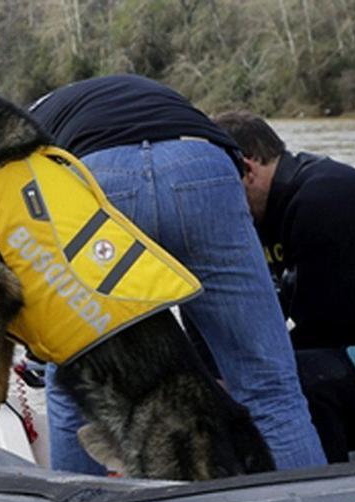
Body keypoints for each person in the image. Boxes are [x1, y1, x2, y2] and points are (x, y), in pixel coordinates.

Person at [27, 74, 325, 474]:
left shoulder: (25, 125)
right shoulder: (148, 93)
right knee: (272, 389)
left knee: (73, 393)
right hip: (202, 166)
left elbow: (20, 240)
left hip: (97, 177)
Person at [212, 111, 355, 461]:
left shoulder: (324, 199)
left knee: (295, 379)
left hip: (349, 345)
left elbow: (323, 326)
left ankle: (324, 490)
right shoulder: (266, 214)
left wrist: (239, 375)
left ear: (247, 171)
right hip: (350, 348)